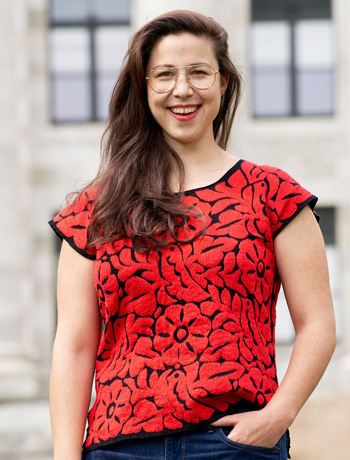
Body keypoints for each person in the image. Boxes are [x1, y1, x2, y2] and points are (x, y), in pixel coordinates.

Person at [49, 10, 336, 460]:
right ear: (144, 89)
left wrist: (278, 415)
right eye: (164, 75)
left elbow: (318, 324)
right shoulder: (95, 209)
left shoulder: (273, 194)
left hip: (234, 445)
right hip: (118, 448)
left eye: (198, 72)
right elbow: (74, 345)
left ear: (223, 82)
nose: (182, 89)